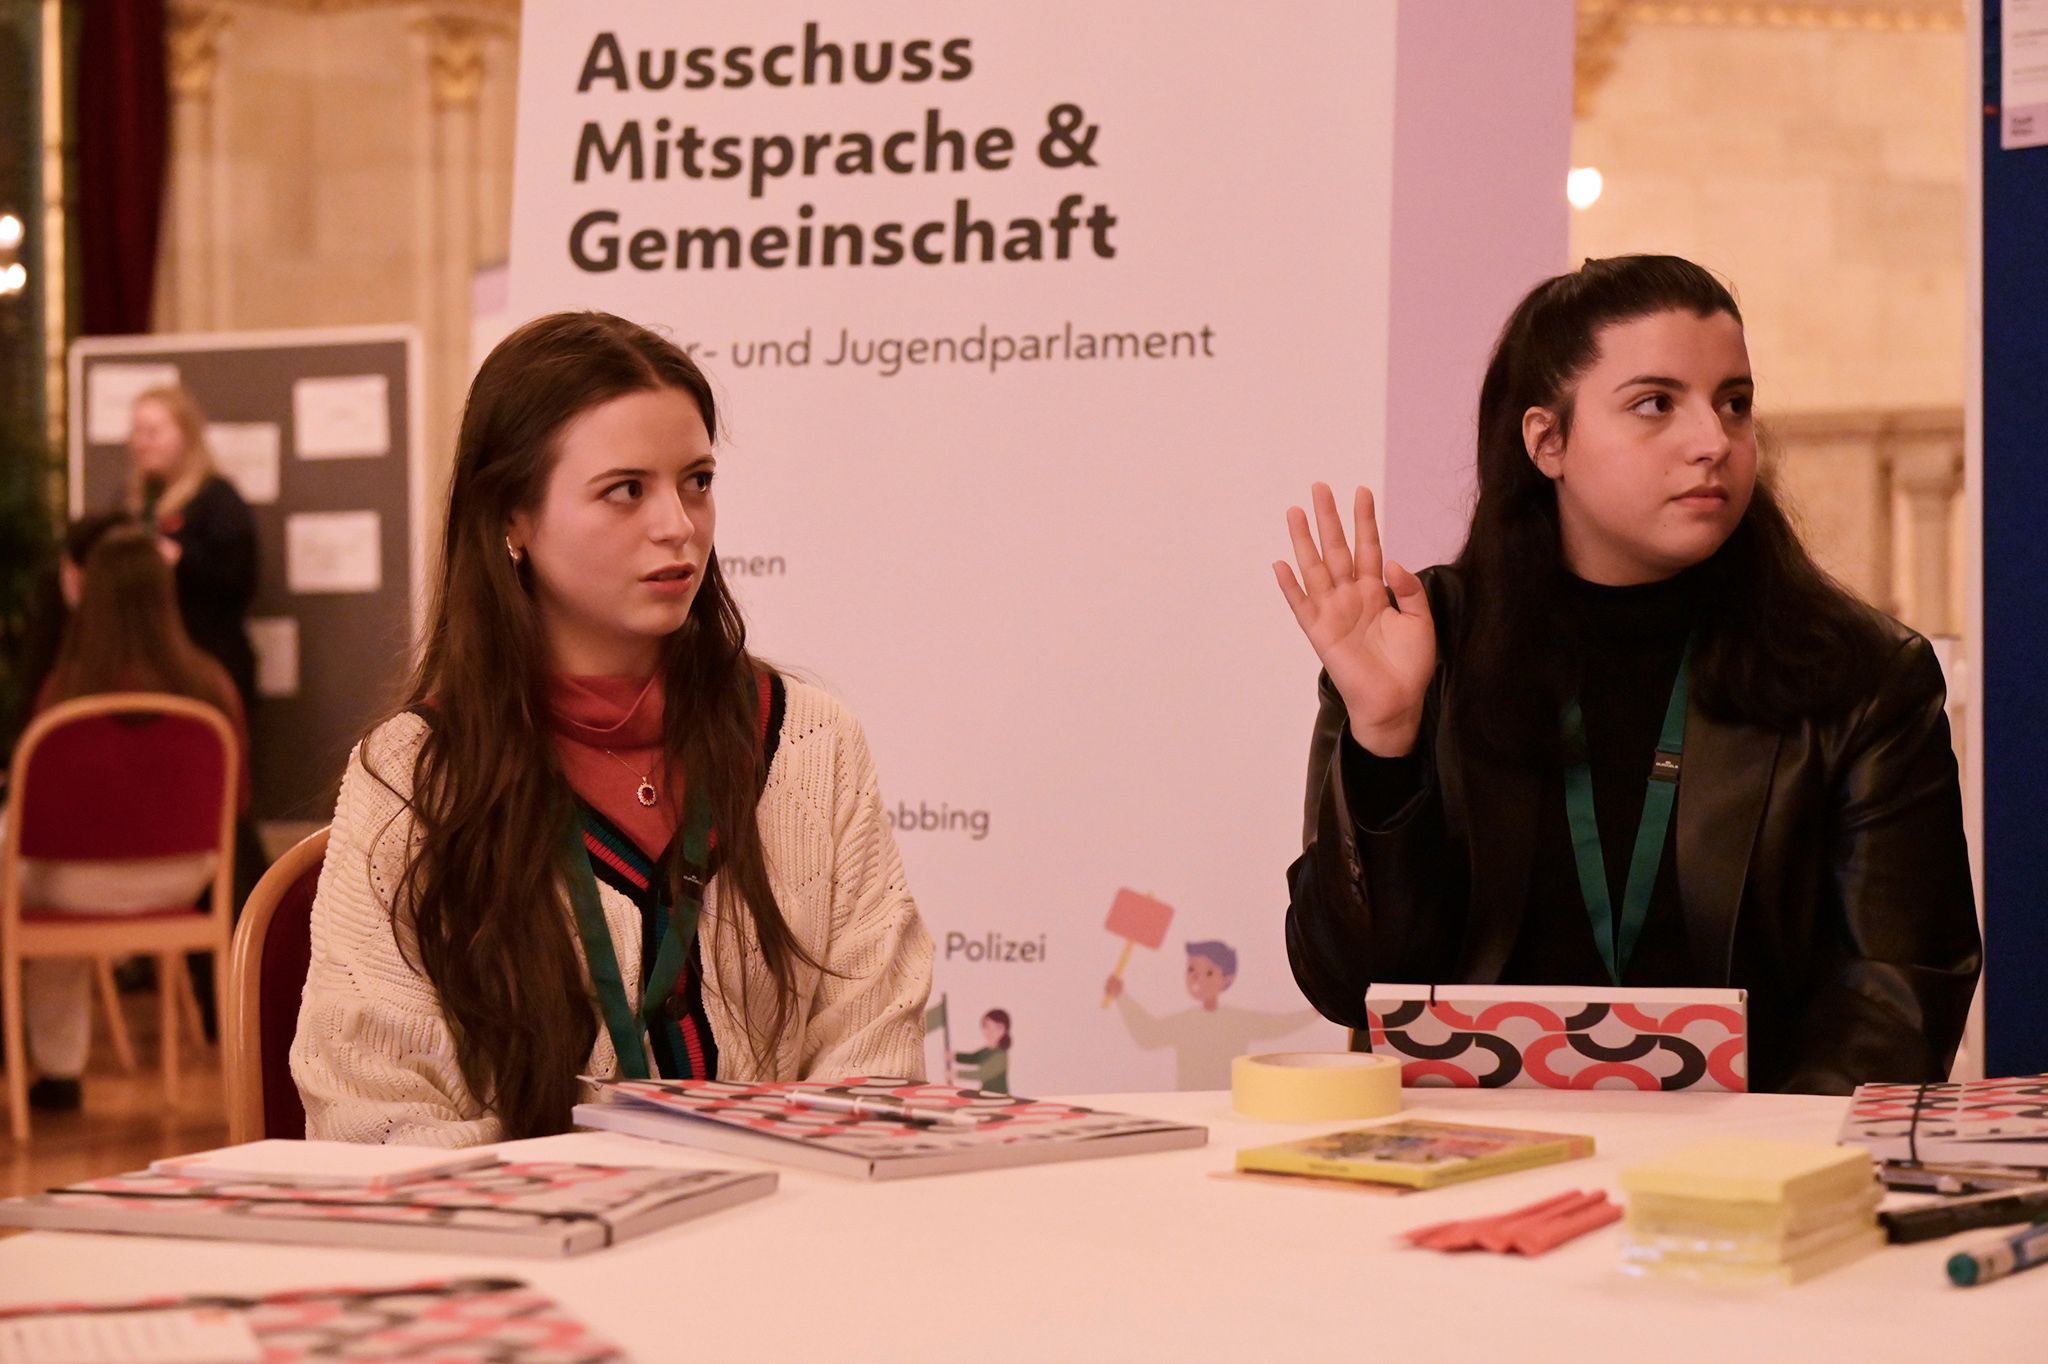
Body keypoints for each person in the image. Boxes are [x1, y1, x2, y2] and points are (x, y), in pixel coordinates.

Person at [1276, 255, 1980, 1095]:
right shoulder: (1422, 642)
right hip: (1470, 1158)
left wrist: (1750, 1170)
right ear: (1547, 441)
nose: (1713, 442)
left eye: (1735, 403)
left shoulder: (1862, 674)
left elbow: (1898, 997)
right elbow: (1347, 982)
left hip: (1750, 1175)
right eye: (1656, 404)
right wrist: (1385, 741)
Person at [290, 311, 934, 1146]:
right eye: (625, 490)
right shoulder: (414, 776)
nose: (678, 525)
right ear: (511, 521)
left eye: (697, 480)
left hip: (781, 1247)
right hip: (523, 1257)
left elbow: (873, 1077)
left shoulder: (809, 743)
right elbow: (370, 1116)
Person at [14, 526, 251, 1111]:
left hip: (74, 886)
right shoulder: (212, 688)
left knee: (27, 888)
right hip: (186, 876)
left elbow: (31, 822)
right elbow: (239, 802)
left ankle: (59, 1070)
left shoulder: (63, 694)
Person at [124, 385, 258, 710]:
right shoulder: (134, 504)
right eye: (137, 432)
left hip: (209, 669)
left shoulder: (219, 499)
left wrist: (180, 560)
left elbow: (239, 581)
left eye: (153, 432)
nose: (142, 443)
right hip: (150, 670)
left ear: (185, 435)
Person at [1104, 939, 1320, 1089]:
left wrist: (1315, 1011)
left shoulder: (1237, 1021)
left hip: (1228, 1102)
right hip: (1188, 1105)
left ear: (1227, 979)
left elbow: (1276, 1026)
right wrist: (1122, 997)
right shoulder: (1185, 1022)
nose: (1198, 979)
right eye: (1192, 970)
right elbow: (1149, 1036)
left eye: (1209, 972)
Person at [953, 1008, 1012, 1094]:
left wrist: (957, 1074)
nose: (991, 1032)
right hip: (985, 1092)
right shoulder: (986, 1050)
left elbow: (982, 1074)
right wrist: (955, 1056)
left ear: (1004, 1030)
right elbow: (973, 1058)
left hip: (999, 1096)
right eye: (987, 1026)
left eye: (997, 1027)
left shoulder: (1001, 1055)